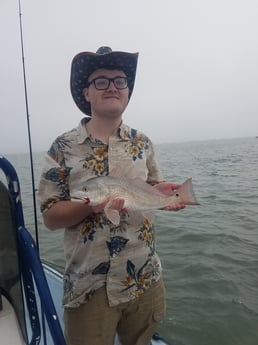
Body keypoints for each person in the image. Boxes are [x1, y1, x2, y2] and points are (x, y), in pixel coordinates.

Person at [38, 46, 185, 345]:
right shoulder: (61, 148)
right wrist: (90, 208)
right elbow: (50, 217)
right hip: (88, 286)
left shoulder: (143, 143)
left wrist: (167, 195)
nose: (112, 87)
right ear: (86, 93)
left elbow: (152, 188)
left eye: (120, 81)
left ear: (128, 91)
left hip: (145, 278)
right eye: (101, 81)